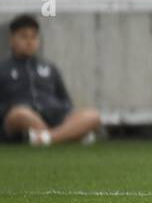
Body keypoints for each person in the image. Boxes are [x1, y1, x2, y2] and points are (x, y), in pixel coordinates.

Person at [0, 14, 101, 147]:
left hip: (53, 114)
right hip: (21, 116)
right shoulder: (3, 68)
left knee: (93, 115)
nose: (29, 42)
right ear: (12, 39)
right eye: (23, 37)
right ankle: (68, 135)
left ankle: (46, 137)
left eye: (34, 37)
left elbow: (65, 100)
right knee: (20, 114)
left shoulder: (49, 68)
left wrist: (63, 112)